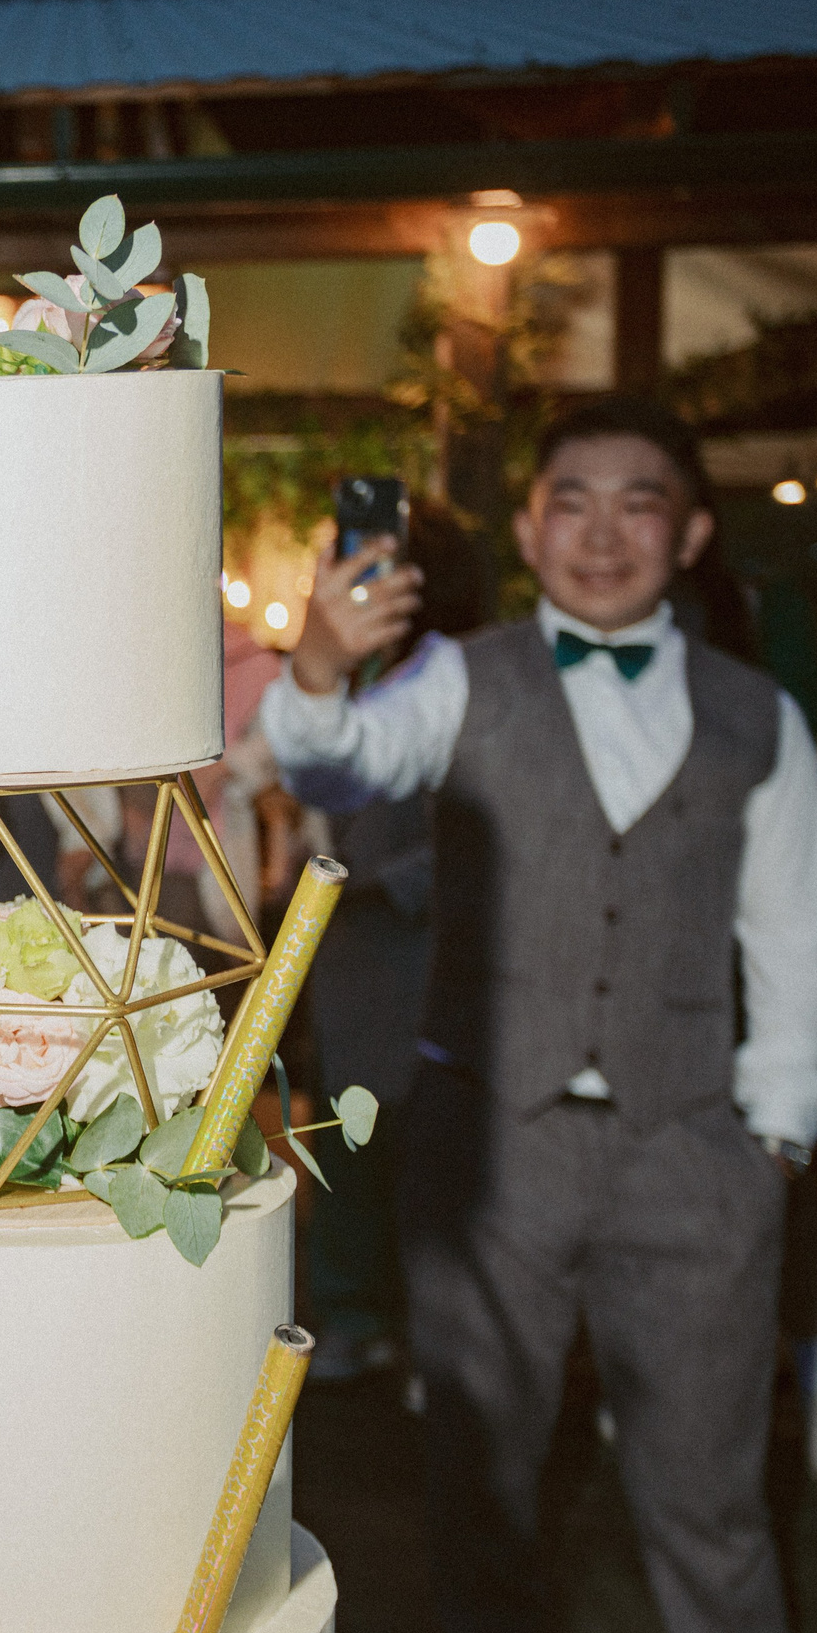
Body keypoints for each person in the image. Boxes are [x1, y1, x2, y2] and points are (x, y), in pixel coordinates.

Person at [262, 396, 817, 1633]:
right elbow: (334, 767)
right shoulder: (462, 677)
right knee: (479, 1498)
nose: (602, 531)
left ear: (686, 535)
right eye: (572, 499)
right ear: (530, 525)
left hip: (693, 1155)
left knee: (710, 1508)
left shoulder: (759, 718)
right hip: (488, 1151)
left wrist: (774, 1141)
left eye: (640, 501)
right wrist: (315, 665)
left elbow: (794, 937)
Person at [298, 509, 493, 1385]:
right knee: (347, 1132)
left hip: (420, 951)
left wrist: (373, 885)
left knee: (422, 1140)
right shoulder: (366, 669)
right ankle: (352, 1314)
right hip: (352, 956)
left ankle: (425, 1333)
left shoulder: (461, 678)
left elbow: (471, 834)